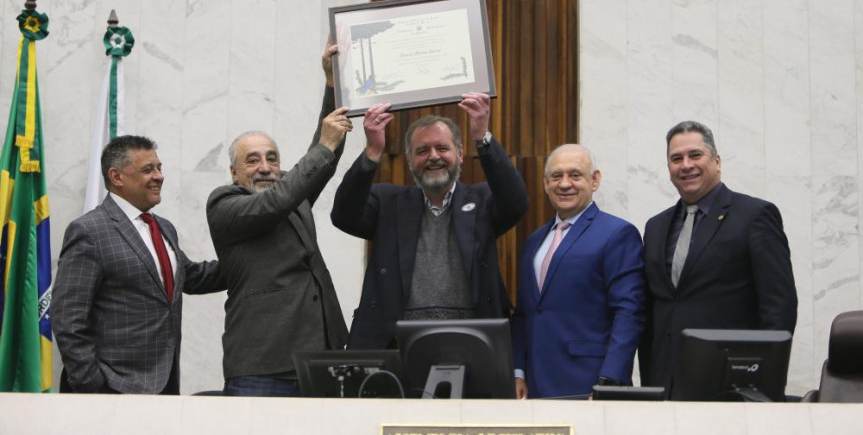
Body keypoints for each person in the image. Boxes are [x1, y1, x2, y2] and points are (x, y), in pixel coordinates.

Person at [206, 43, 351, 397]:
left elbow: (325, 157)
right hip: (262, 367)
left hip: (320, 358)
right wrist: (322, 147)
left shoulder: (290, 193)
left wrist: (332, 85)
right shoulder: (224, 203)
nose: (266, 167)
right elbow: (278, 200)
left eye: (272, 157)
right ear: (234, 172)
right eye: (253, 160)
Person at [331, 93, 528, 349]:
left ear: (459, 153)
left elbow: (516, 202)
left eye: (442, 148)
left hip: (473, 344)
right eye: (422, 151)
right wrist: (372, 152)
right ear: (411, 160)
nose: (433, 156)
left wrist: (482, 137)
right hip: (398, 346)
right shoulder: (387, 202)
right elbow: (343, 215)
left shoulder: (483, 201)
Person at [53, 135, 225, 394]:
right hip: (110, 391)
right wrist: (94, 385)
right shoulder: (89, 231)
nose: (159, 176)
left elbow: (192, 276)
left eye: (159, 167)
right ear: (117, 176)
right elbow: (68, 319)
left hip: (164, 386)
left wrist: (254, 259)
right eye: (148, 169)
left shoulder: (164, 228)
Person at [639, 120, 798, 391]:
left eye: (695, 155)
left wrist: (760, 378)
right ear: (669, 169)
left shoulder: (755, 216)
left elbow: (779, 307)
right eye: (676, 158)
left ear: (717, 161)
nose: (686, 165)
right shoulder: (655, 227)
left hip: (731, 382)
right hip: (665, 383)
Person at [511, 144, 645, 399]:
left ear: (594, 180)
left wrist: (610, 380)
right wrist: (518, 371)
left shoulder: (617, 233)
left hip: (589, 384)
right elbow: (524, 314)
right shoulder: (534, 241)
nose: (564, 184)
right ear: (545, 183)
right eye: (556, 176)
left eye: (575, 175)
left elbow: (629, 311)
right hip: (534, 386)